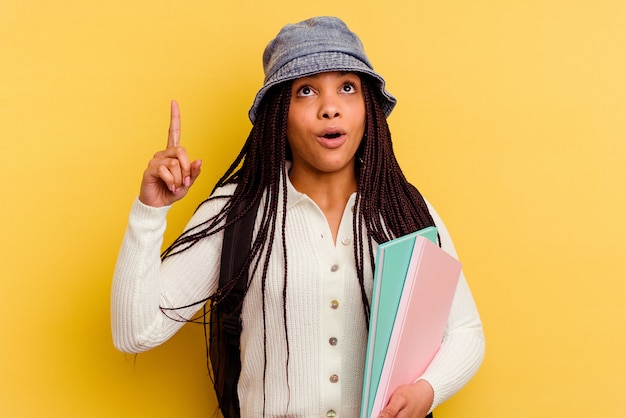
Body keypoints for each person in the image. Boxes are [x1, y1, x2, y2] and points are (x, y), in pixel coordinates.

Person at [111, 16, 485, 418]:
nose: (330, 108)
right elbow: (135, 331)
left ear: (367, 107)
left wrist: (428, 391)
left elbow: (466, 333)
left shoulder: (404, 210)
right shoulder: (240, 210)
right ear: (279, 116)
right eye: (306, 91)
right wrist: (150, 211)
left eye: (347, 87)